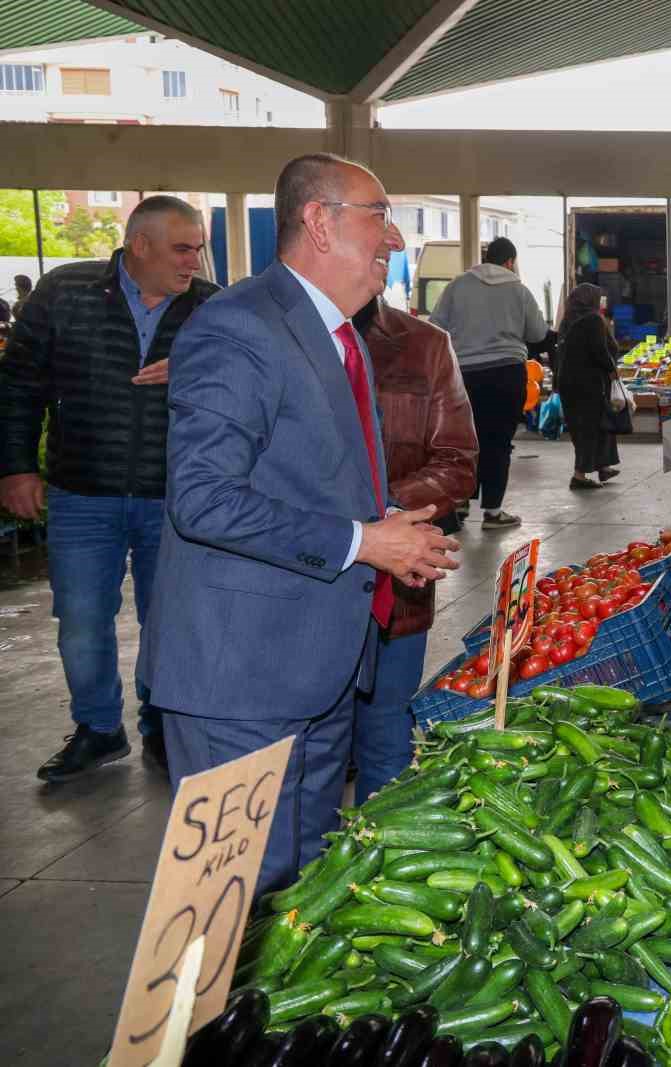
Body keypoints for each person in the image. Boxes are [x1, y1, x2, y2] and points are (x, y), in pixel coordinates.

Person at [141, 153, 461, 893]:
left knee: (298, 895)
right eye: (380, 216)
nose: (395, 239)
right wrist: (363, 541)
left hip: (317, 672)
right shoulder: (240, 326)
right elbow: (203, 497)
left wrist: (384, 524)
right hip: (240, 682)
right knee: (228, 901)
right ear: (320, 221)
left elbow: (304, 478)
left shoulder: (336, 334)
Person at [0, 196, 216, 782]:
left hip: (175, 499)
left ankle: (162, 725)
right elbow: (18, 383)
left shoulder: (210, 308)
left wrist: (196, 366)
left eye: (197, 249)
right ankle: (98, 729)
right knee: (80, 620)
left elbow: (250, 387)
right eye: (182, 249)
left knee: (169, 620)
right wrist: (16, 467)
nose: (194, 261)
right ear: (139, 245)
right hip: (81, 493)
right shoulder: (64, 292)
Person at [353, 296, 478, 804]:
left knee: (386, 740)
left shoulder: (425, 346)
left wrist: (381, 516)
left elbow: (457, 461)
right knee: (303, 754)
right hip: (298, 587)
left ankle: (374, 848)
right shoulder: (268, 334)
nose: (382, 260)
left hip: (397, 585)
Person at [429, 236, 548, 530]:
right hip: (507, 374)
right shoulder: (519, 289)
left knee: (465, 441)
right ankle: (493, 513)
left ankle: (460, 503)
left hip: (465, 375)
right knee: (498, 441)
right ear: (510, 261)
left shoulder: (457, 285)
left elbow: (435, 326)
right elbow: (538, 333)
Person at [555, 283, 621, 490]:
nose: (600, 302)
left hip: (568, 383)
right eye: (598, 298)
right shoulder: (592, 320)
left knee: (586, 427)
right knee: (590, 428)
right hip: (588, 384)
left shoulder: (567, 321)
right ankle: (579, 476)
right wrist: (612, 369)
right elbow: (599, 351)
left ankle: (603, 466)